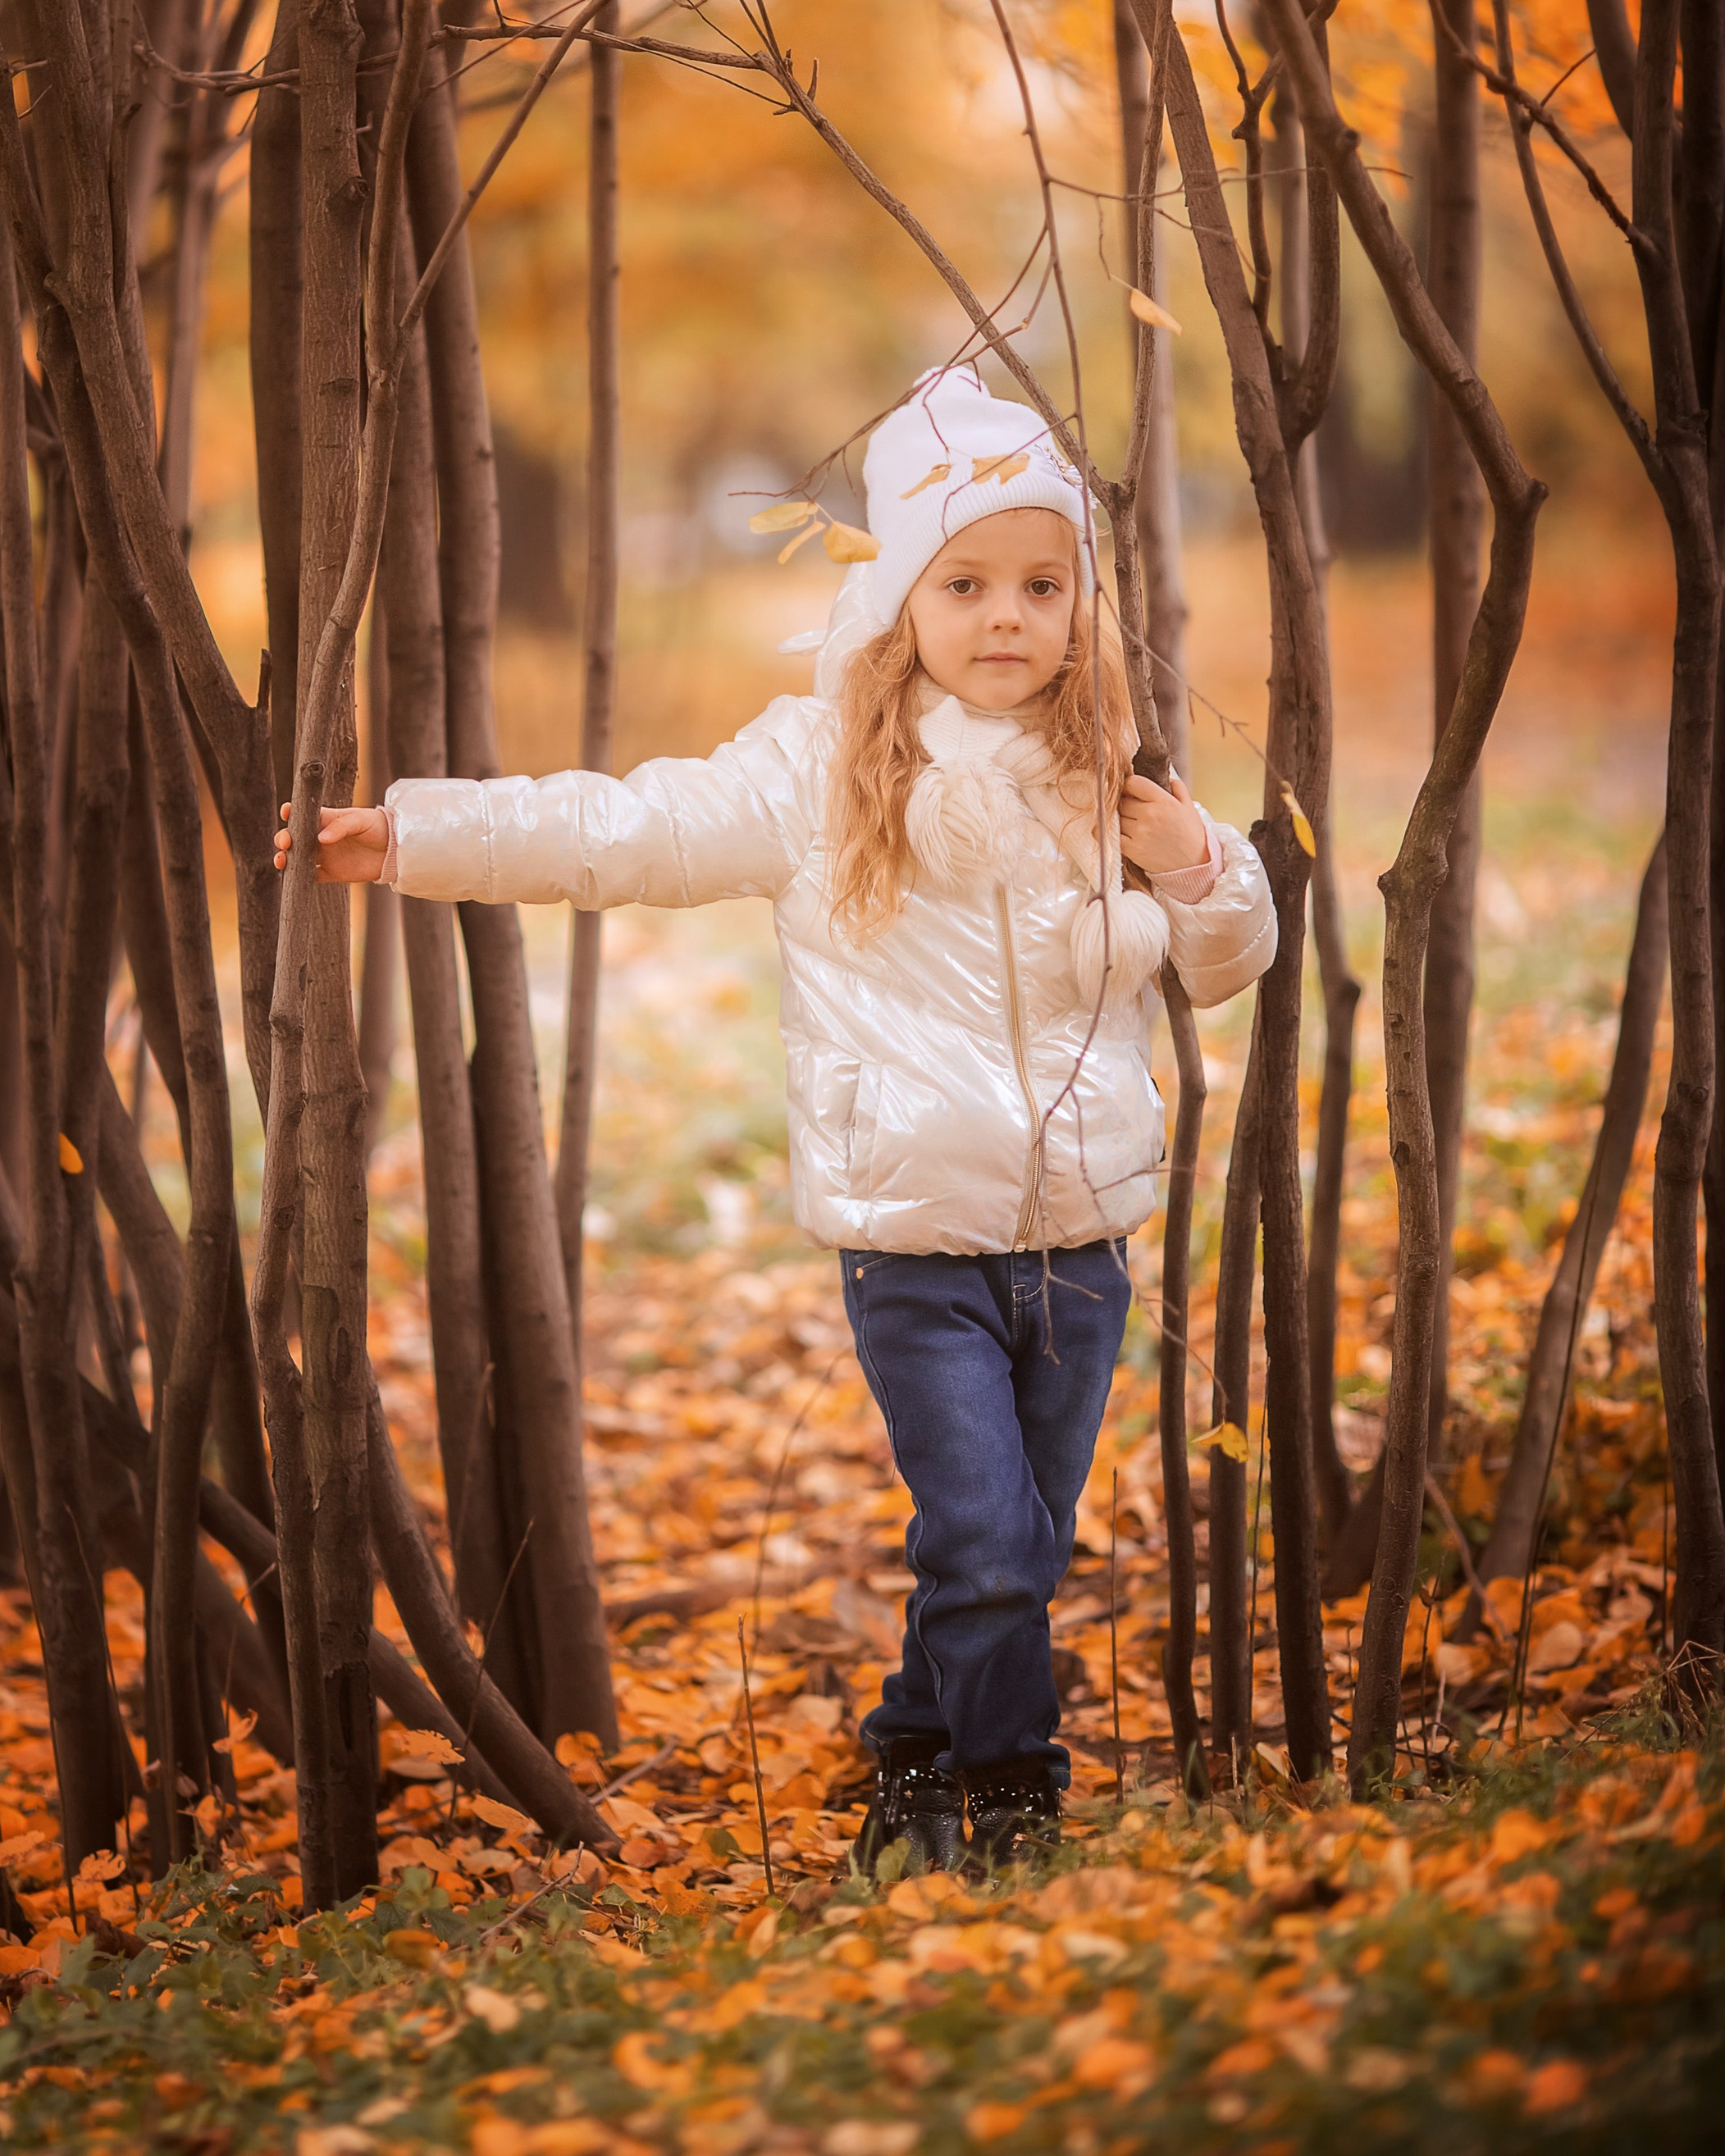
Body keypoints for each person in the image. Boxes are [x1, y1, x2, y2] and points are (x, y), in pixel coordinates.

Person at [276, 366, 1275, 1872]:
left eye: (1042, 586)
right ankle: (1015, 1803)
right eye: (968, 583)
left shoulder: (1109, 776)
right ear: (903, 601)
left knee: (1004, 1556)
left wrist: (1199, 863)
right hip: (916, 1251)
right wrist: (409, 832)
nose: (1007, 616)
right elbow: (621, 828)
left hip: (1084, 1244)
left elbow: (1221, 974)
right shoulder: (815, 772)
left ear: (1083, 603)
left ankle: (905, 1763)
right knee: (991, 1551)